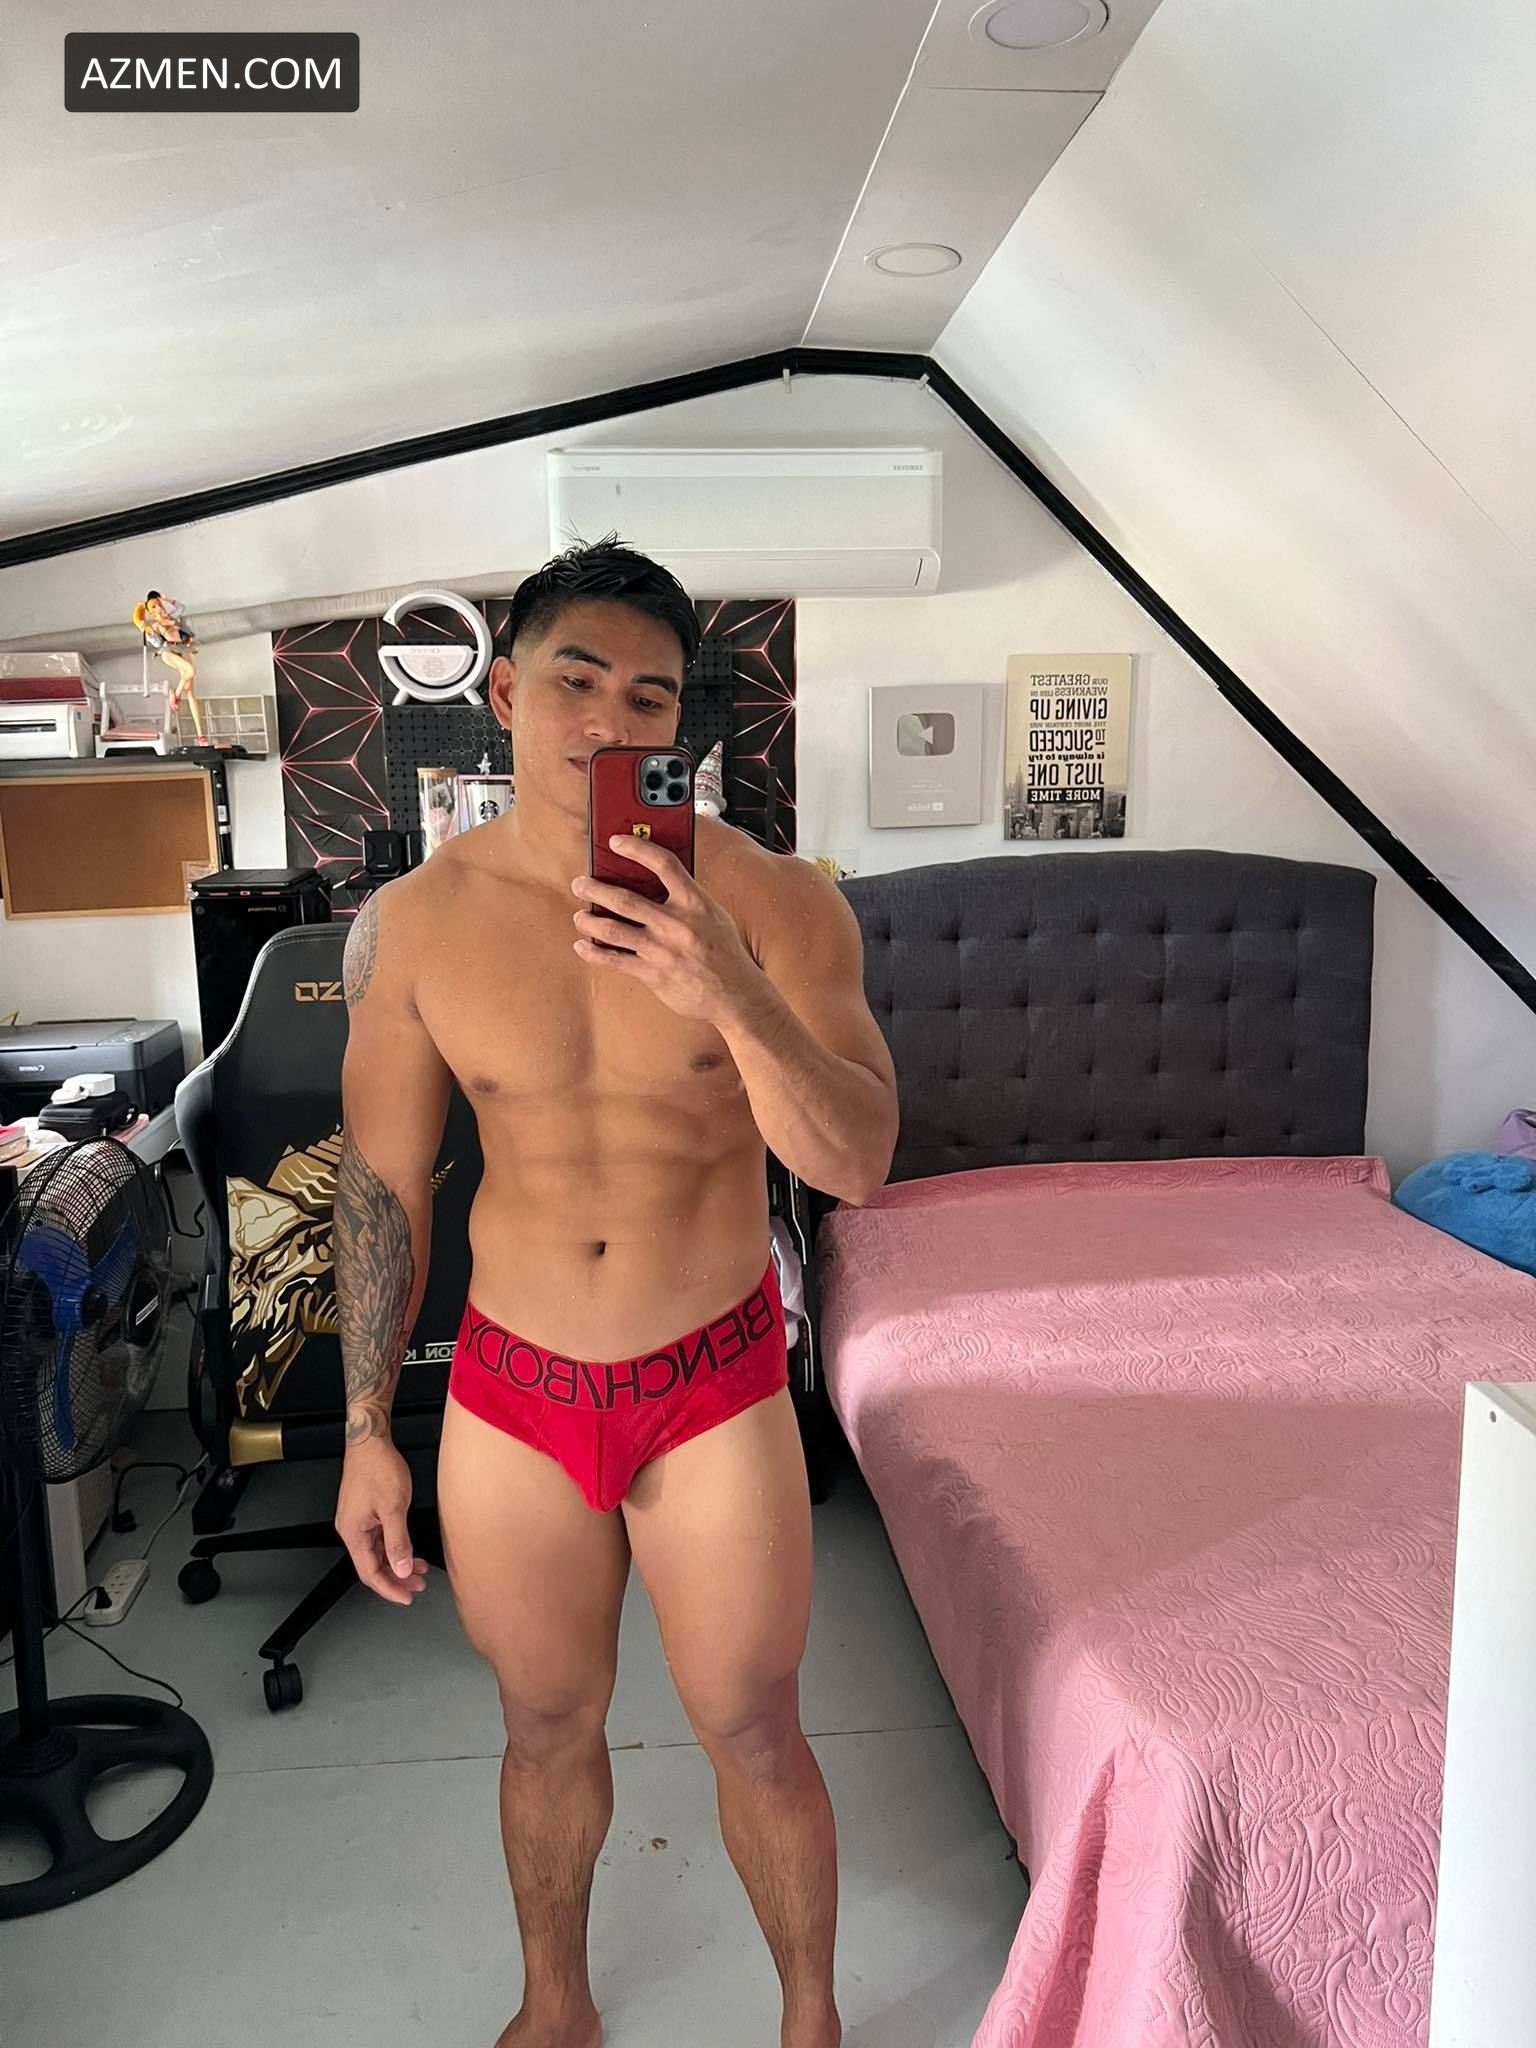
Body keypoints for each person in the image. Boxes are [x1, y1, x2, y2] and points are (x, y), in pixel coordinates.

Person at [333, 536, 899, 2048]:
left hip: (710, 1384)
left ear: (678, 726)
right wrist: (366, 1429)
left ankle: (812, 2023)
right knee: (542, 1723)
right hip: (514, 1390)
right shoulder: (417, 924)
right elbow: (383, 1186)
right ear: (506, 694)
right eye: (576, 682)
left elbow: (855, 1163)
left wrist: (727, 987)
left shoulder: (776, 903)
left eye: (649, 699)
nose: (609, 722)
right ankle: (557, 2007)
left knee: (753, 1726)